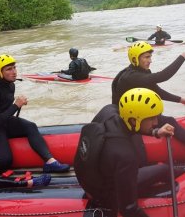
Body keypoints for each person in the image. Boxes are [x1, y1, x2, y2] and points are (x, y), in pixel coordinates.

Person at [76, 88, 177, 217]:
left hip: (89, 178)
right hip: (105, 195)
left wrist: (155, 132)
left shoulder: (108, 111)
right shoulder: (125, 156)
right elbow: (129, 209)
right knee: (163, 169)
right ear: (135, 120)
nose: (156, 122)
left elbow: (132, 127)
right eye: (151, 118)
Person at [112, 41, 185, 158]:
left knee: (159, 115)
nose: (150, 60)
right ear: (135, 59)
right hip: (127, 120)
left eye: (150, 57)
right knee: (169, 121)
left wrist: (181, 100)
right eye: (146, 57)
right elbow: (163, 76)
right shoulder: (131, 77)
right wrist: (184, 55)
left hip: (133, 113)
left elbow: (156, 90)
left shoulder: (138, 72)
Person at [0, 54, 70, 173]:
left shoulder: (10, 84)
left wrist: (14, 107)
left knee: (30, 126)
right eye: (9, 69)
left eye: (14, 67)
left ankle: (50, 162)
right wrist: (16, 105)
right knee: (5, 160)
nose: (14, 72)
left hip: (4, 120)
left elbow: (4, 110)